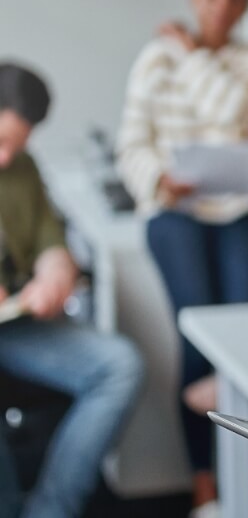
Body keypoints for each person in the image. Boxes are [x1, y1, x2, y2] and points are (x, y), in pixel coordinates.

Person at [115, 0, 248, 516]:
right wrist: (159, 179)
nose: (222, 7)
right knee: (200, 332)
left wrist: (192, 55)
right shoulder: (153, 58)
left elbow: (231, 112)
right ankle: (206, 480)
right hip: (174, 211)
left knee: (245, 339)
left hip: (237, 212)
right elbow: (133, 143)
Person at [0, 63, 144, 518]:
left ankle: (48, 511)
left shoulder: (23, 168)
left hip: (15, 324)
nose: (6, 157)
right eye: (1, 141)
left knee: (120, 364)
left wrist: (54, 273)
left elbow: (51, 243)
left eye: (17, 144)